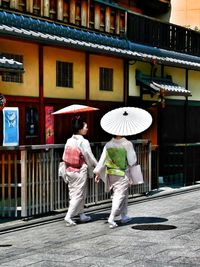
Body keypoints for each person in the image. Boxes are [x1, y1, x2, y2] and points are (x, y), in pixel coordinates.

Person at [94, 135, 137, 228]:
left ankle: (124, 215)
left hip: (111, 173)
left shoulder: (108, 144)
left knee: (123, 193)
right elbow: (132, 161)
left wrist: (97, 172)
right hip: (122, 173)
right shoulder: (127, 144)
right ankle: (112, 217)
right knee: (119, 195)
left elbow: (102, 160)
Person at [62, 116, 97, 226]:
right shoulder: (83, 142)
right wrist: (97, 166)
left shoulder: (69, 140)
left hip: (69, 169)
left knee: (74, 193)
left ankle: (81, 214)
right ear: (80, 128)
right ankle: (68, 216)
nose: (87, 129)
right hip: (80, 170)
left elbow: (64, 155)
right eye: (85, 127)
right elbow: (89, 157)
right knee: (78, 194)